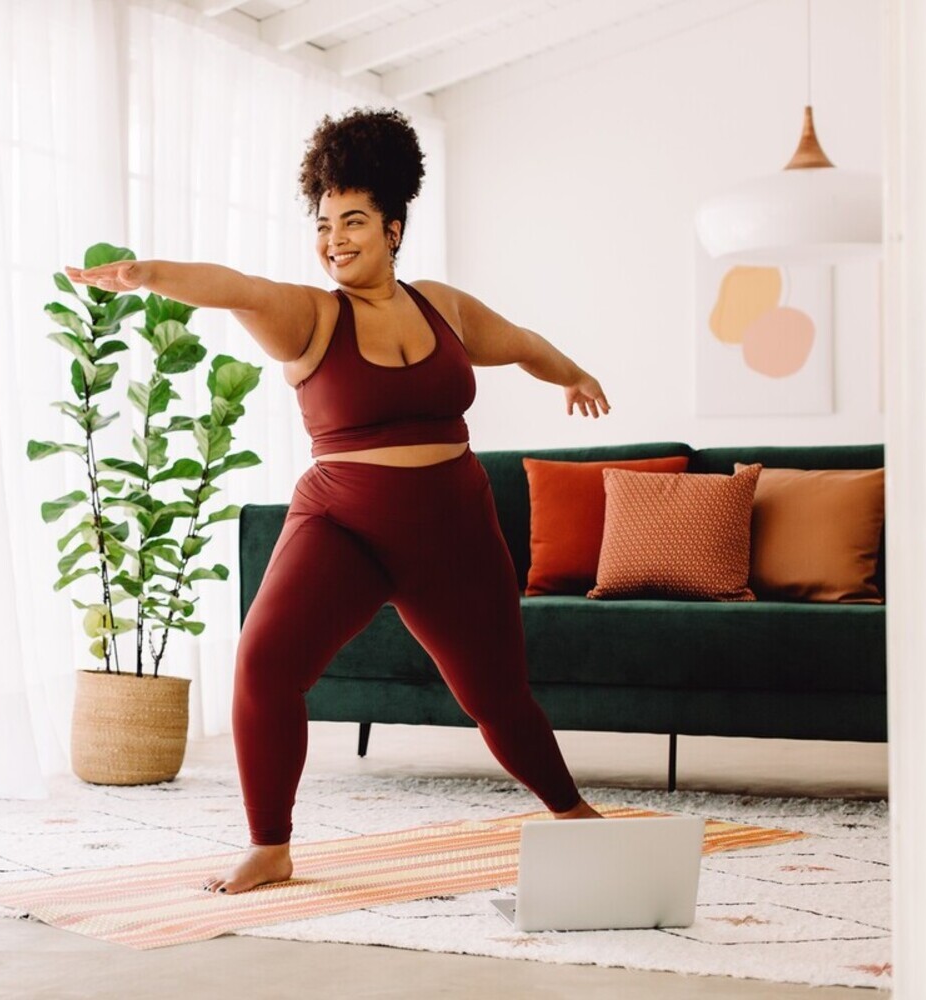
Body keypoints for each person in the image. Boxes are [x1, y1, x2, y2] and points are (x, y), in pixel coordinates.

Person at [66, 106, 609, 896]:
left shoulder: (442, 307)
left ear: (393, 226)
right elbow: (236, 288)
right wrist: (150, 276)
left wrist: (571, 374)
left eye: (352, 220)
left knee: (496, 696)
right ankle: (269, 844)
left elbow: (518, 341)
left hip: (453, 526)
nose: (334, 239)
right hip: (343, 525)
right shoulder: (311, 315)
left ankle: (569, 812)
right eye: (322, 223)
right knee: (263, 662)